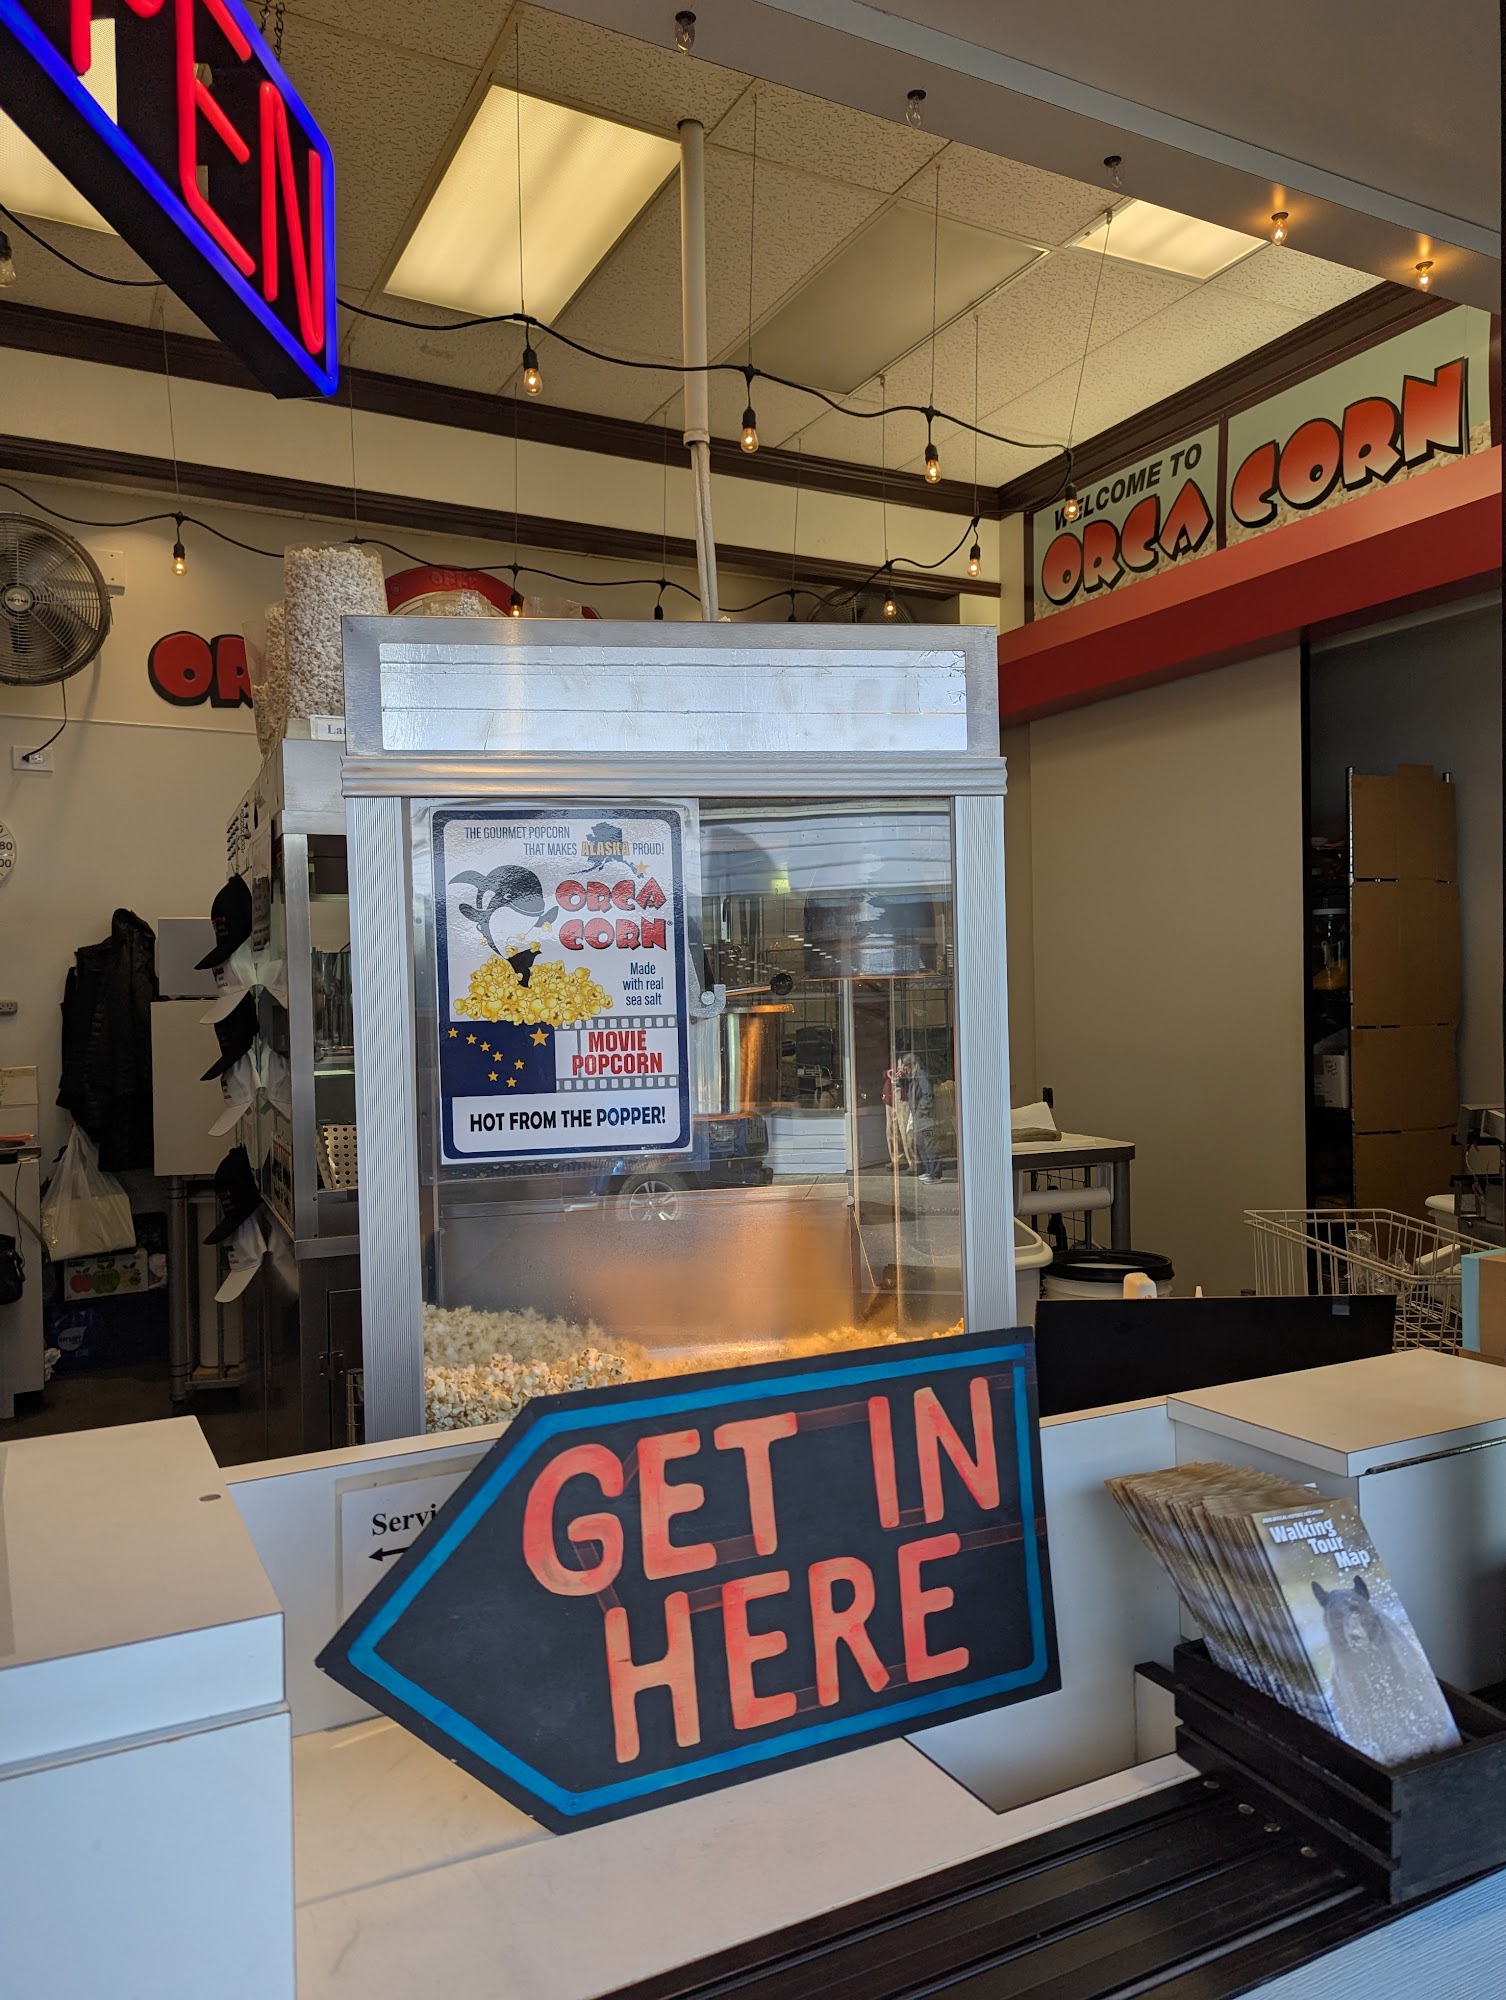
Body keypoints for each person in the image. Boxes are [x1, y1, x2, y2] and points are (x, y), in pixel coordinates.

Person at [902, 1053, 941, 1182]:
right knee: (921, 1144)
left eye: (906, 1066)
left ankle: (935, 1174)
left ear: (912, 1065)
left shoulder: (921, 1074)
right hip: (919, 1118)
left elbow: (928, 1094)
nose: (905, 1069)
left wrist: (920, 1110)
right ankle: (929, 1171)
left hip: (926, 1118)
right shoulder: (913, 1077)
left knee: (929, 1144)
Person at [883, 1061, 914, 1169]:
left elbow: (915, 1071)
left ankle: (913, 1161)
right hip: (890, 1094)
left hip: (902, 1093)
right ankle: (897, 1159)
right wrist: (888, 1073)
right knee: (891, 1130)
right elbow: (882, 1070)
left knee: (905, 1129)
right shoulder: (890, 1055)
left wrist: (905, 1074)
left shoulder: (907, 1055)